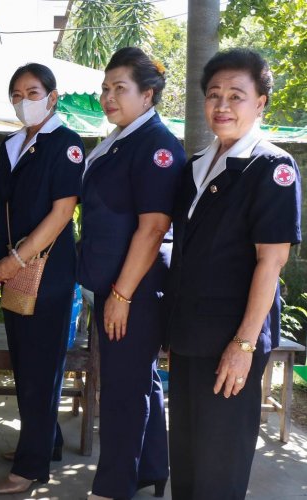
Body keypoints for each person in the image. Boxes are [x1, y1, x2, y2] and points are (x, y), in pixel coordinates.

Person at [166, 48, 301, 500]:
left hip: (231, 339)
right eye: (214, 95)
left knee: (218, 466)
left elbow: (271, 261)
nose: (222, 106)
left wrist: (243, 346)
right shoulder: (196, 166)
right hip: (188, 334)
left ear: (260, 102)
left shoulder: (272, 168)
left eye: (237, 96)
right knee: (185, 457)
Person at [78, 47, 185, 500]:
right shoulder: (123, 138)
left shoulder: (156, 146)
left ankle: (114, 487)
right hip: (117, 284)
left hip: (135, 288)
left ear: (149, 94)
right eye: (105, 88)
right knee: (139, 382)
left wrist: (121, 295)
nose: (108, 97)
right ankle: (150, 469)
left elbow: (154, 226)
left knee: (122, 390)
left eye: (120, 88)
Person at [0, 63, 84, 494]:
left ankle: (30, 467)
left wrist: (15, 261)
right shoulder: (11, 146)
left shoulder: (67, 144)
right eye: (17, 94)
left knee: (41, 367)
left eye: (34, 92)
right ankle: (47, 442)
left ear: (53, 96)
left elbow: (63, 213)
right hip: (12, 267)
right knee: (25, 363)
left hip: (48, 271)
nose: (25, 101)